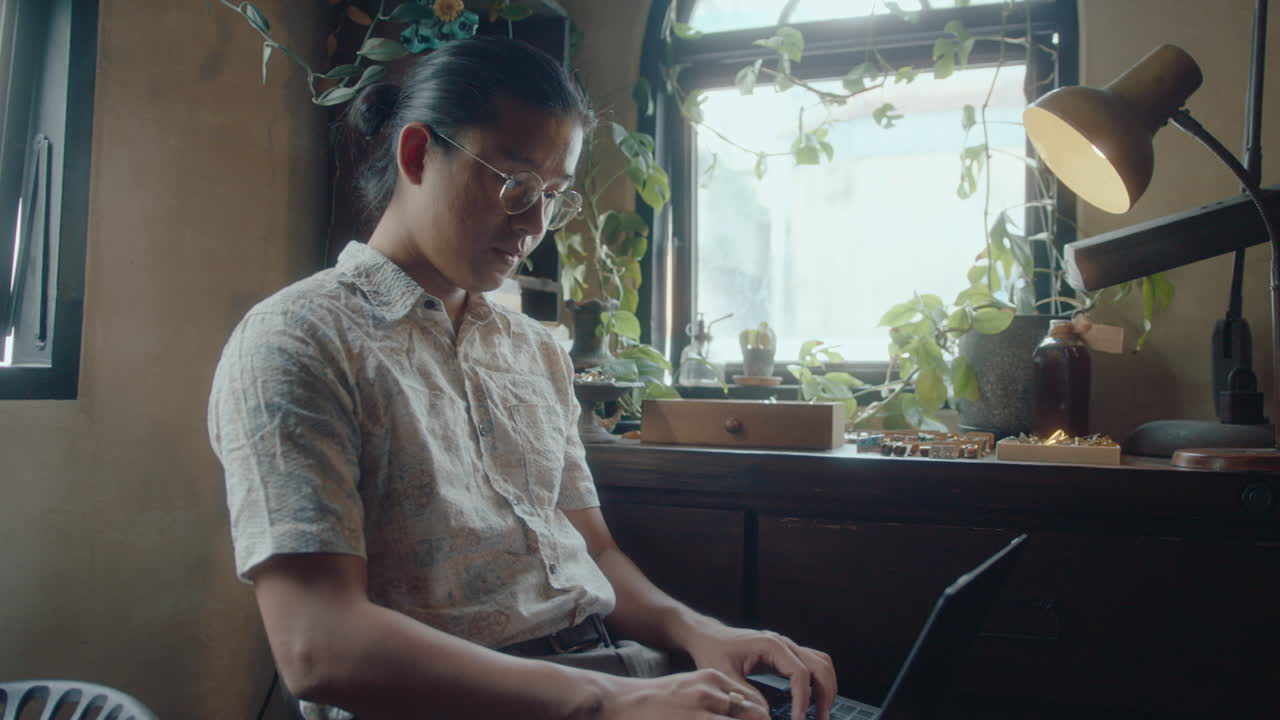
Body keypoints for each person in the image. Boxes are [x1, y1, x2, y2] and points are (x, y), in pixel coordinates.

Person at [208, 36, 836, 720]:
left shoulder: (534, 351)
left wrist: (701, 633)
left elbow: (592, 552)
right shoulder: (299, 340)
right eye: (515, 185)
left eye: (554, 197)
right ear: (417, 154)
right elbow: (318, 647)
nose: (535, 225)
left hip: (613, 671)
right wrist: (607, 702)